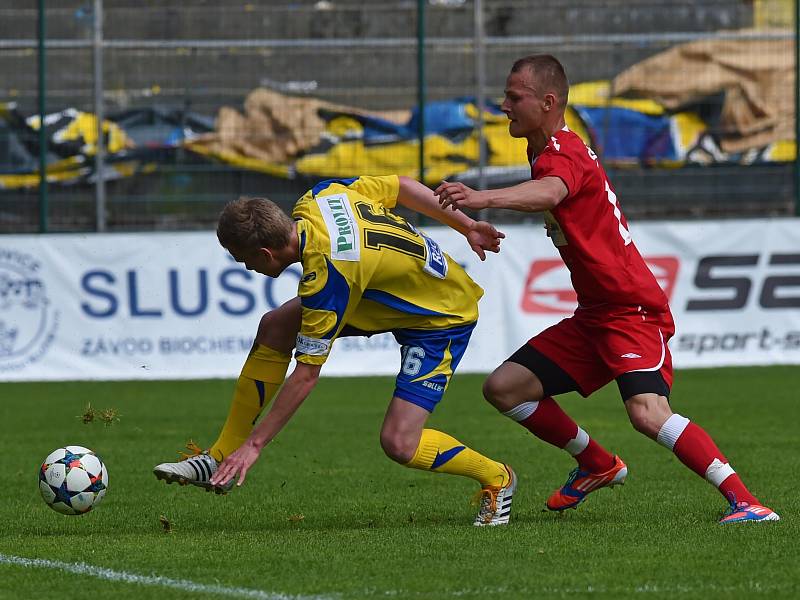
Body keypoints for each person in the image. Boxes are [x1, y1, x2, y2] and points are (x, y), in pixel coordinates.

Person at [435, 54, 779, 524]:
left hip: (630, 308)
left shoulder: (563, 150)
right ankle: (596, 463)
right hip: (597, 313)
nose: (504, 106)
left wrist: (482, 198)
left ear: (548, 101)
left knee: (647, 413)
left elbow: (552, 192)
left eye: (514, 97)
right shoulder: (540, 151)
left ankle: (747, 502)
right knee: (504, 388)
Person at [153, 174, 516, 526]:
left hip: (440, 318)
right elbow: (403, 186)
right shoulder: (321, 197)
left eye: (244, 259)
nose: (246, 267)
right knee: (275, 326)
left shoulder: (328, 278)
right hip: (390, 293)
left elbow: (307, 375)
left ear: (264, 253)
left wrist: (256, 445)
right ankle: (218, 455)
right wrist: (466, 224)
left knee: (399, 443)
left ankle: (497, 477)